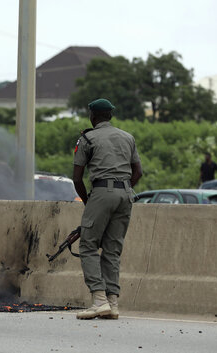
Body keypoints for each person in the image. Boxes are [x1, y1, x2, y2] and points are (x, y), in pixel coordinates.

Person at [72, 98, 143, 320]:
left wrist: (88, 202)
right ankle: (113, 303)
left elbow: (77, 178)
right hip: (126, 194)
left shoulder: (87, 138)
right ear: (110, 116)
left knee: (88, 245)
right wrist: (124, 188)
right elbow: (138, 172)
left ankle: (99, 300)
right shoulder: (127, 137)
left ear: (92, 116)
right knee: (112, 249)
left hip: (101, 193)